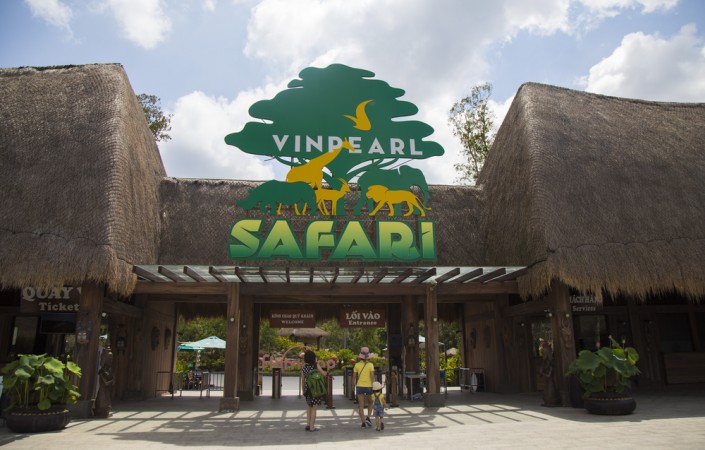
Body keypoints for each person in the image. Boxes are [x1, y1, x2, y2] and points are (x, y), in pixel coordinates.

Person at [301, 349, 327, 432]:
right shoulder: (316, 365)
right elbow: (324, 374)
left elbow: (303, 380)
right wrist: (326, 373)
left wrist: (303, 391)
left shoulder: (304, 368)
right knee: (314, 408)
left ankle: (308, 424)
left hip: (307, 389)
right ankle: (312, 427)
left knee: (309, 406)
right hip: (315, 389)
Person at [352, 346, 374, 428]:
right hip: (369, 386)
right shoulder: (371, 365)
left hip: (359, 386)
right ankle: (368, 417)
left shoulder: (357, 365)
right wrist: (373, 386)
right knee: (370, 403)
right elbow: (372, 376)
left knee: (361, 405)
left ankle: (363, 422)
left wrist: (353, 386)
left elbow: (354, 377)